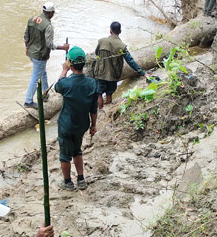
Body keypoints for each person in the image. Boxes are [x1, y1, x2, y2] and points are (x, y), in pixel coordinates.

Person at [54, 46, 99, 191]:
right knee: (77, 150)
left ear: (70, 64)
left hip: (66, 125)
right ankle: (81, 179)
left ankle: (67, 182)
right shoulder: (92, 83)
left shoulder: (66, 84)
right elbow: (93, 108)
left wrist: (64, 70)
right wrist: (93, 125)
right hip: (82, 124)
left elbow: (57, 87)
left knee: (64, 155)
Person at [23, 2, 70, 109]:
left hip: (31, 52)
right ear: (50, 13)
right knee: (35, 78)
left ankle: (45, 94)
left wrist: (27, 48)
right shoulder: (48, 26)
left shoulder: (32, 19)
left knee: (43, 73)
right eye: (53, 13)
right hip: (40, 55)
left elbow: (26, 36)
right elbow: (49, 44)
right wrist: (63, 47)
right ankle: (28, 100)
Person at [93, 21, 146, 110]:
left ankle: (100, 110)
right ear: (120, 31)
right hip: (113, 74)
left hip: (100, 72)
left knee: (99, 93)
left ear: (110, 31)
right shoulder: (122, 46)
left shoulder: (101, 41)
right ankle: (108, 108)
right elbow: (130, 61)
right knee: (109, 93)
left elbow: (96, 53)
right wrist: (142, 72)